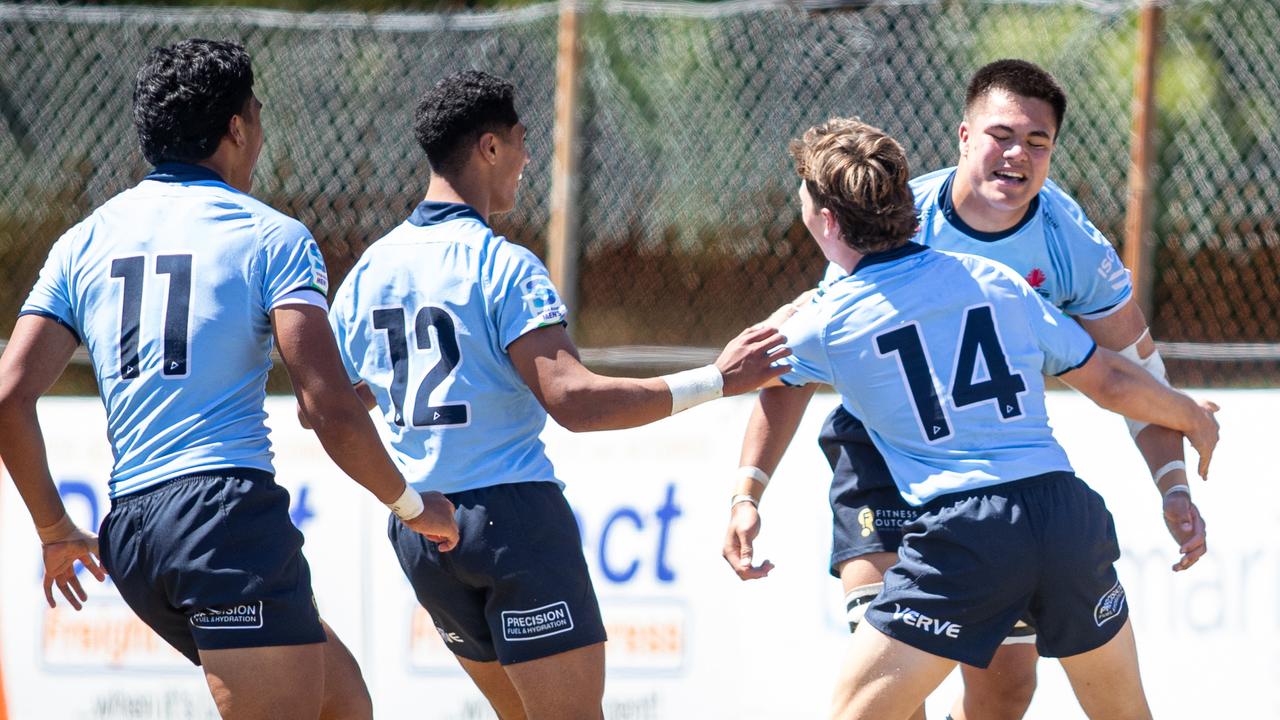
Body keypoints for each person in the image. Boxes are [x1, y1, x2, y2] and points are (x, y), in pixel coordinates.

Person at [723, 59, 1205, 720]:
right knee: (890, 682)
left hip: (1000, 472)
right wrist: (748, 487)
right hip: (885, 454)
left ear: (1054, 153)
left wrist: (1172, 484)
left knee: (1006, 687)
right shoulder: (894, 217)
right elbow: (791, 365)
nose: (1018, 155)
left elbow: (1127, 373)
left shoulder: (1070, 245)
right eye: (1001, 135)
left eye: (1038, 142)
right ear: (963, 137)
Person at [0, 39, 458, 720]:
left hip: (133, 532)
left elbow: (9, 396)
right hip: (221, 517)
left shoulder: (84, 241)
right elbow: (327, 408)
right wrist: (415, 507)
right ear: (237, 129)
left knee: (344, 701)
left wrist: (54, 528)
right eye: (259, 116)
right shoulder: (271, 236)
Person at [324, 69, 787, 720]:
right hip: (510, 523)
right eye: (519, 141)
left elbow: (341, 408)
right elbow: (574, 401)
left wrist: (400, 494)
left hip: (423, 533)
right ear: (488, 148)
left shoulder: (370, 271)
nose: (527, 157)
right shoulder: (502, 265)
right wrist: (719, 379)